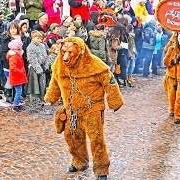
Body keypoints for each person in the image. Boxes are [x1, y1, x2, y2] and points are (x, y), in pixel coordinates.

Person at [44, 37, 124, 180]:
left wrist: (114, 101)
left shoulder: (94, 64)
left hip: (92, 108)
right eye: (63, 52)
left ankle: (101, 169)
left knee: (96, 139)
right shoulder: (59, 64)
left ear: (80, 51)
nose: (66, 56)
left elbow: (109, 81)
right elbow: (55, 81)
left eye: (70, 52)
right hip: (71, 109)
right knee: (73, 137)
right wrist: (51, 97)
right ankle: (79, 161)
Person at [25, 30, 47, 102]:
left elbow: (45, 56)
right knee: (34, 83)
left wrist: (44, 65)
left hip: (42, 65)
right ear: (33, 38)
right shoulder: (30, 47)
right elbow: (32, 59)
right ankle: (34, 97)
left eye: (41, 38)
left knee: (41, 82)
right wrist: (37, 68)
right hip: (34, 68)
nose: (40, 40)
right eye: (38, 38)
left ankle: (41, 96)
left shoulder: (42, 46)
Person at [6, 39, 28, 112]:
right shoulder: (14, 56)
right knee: (18, 91)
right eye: (21, 46)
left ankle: (17, 103)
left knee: (19, 90)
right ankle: (15, 105)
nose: (22, 47)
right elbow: (13, 68)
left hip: (18, 76)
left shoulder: (17, 54)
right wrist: (21, 71)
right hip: (16, 76)